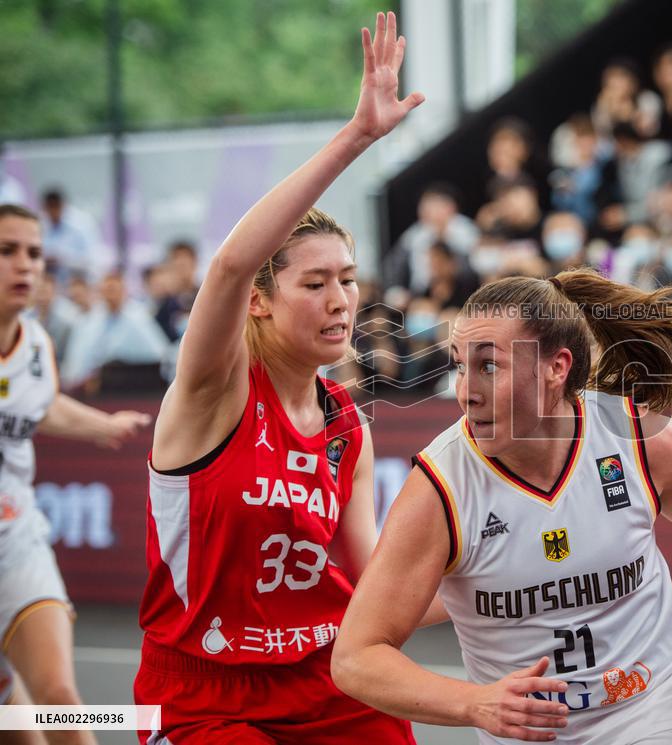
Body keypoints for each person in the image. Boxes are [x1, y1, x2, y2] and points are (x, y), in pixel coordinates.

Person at [331, 269, 672, 744]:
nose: (465, 390)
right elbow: (357, 656)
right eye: (459, 365)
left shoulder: (638, 439)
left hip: (658, 704)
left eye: (489, 366)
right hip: (534, 733)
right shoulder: (440, 488)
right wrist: (473, 703)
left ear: (556, 368)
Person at [132, 12, 435, 744]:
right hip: (203, 691)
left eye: (349, 280)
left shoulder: (347, 427)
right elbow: (231, 265)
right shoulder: (214, 390)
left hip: (322, 676)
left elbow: (375, 591)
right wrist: (357, 137)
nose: (341, 300)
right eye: (315, 283)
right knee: (49, 705)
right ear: (261, 301)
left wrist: (514, 571)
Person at [0, 203, 150, 745]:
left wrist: (102, 426)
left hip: (15, 539)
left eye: (34, 253)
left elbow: (42, 406)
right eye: (7, 251)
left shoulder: (36, 344)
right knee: (14, 723)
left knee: (60, 699)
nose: (25, 264)